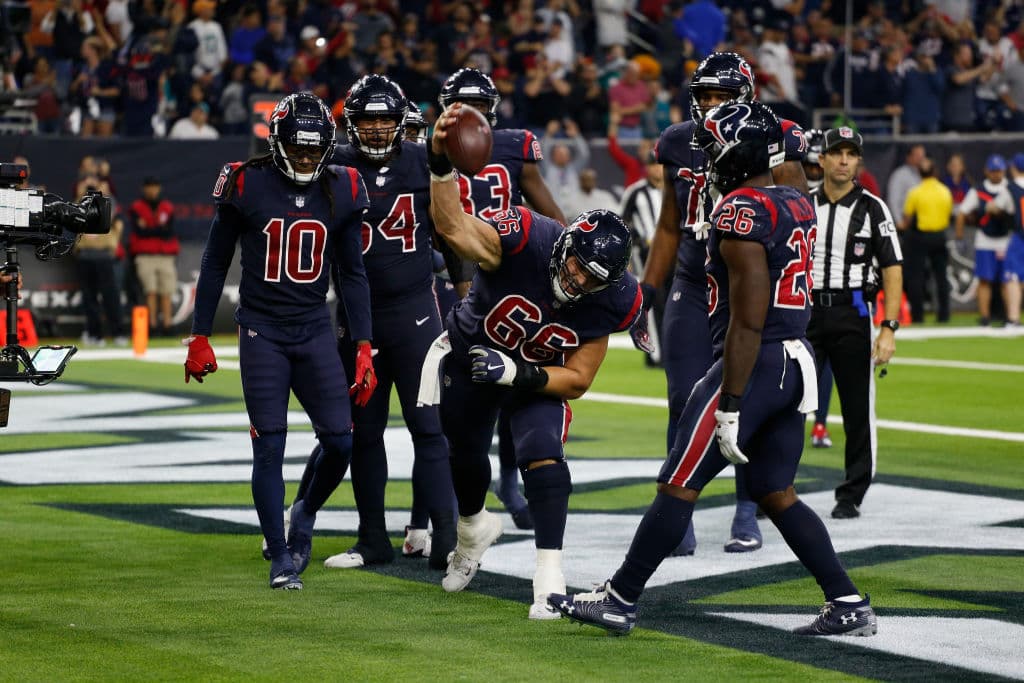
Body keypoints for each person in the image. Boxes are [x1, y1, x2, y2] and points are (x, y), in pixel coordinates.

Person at [547, 101, 878, 638]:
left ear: (738, 152)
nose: (705, 158)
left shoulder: (740, 211)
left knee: (678, 480)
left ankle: (621, 597)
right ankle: (846, 601)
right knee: (776, 490)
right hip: (794, 361)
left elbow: (747, 322)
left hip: (755, 359)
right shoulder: (796, 199)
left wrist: (729, 402)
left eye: (715, 147)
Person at [426, 100, 643, 620]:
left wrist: (518, 373)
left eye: (594, 278)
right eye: (577, 265)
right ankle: (473, 529)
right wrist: (439, 162)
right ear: (563, 243)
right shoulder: (525, 235)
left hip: (534, 375)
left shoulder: (615, 299)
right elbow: (454, 228)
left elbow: (578, 379)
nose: (580, 280)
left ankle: (549, 577)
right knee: (465, 457)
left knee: (543, 451)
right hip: (471, 351)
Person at [185, 92, 377, 591]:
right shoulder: (246, 182)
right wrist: (199, 334)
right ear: (277, 142)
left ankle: (304, 512)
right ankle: (281, 555)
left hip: (313, 326)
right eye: (300, 149)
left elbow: (353, 274)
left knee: (340, 440)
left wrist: (363, 345)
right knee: (269, 447)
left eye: (317, 151)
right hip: (261, 330)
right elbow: (214, 261)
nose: (309, 159)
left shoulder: (343, 186)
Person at [632, 51, 809, 556]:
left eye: (722, 97)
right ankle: (677, 512)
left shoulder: (777, 136)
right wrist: (646, 293)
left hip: (749, 279)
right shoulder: (677, 142)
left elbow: (797, 214)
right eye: (704, 96)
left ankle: (745, 508)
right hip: (694, 276)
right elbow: (669, 224)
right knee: (683, 395)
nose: (710, 105)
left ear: (746, 99)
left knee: (744, 395)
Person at [287, 75, 457, 572]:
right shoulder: (332, 165)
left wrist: (466, 298)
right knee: (364, 431)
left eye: (386, 118)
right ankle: (372, 538)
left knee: (429, 428)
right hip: (357, 318)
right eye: (368, 119)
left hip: (416, 311)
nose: (379, 128)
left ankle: (446, 537)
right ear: (350, 123)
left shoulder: (426, 160)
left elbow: (451, 231)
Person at [438, 67, 567, 531]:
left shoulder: (515, 144)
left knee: (516, 384)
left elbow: (546, 209)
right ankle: (442, 506)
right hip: (449, 267)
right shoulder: (431, 151)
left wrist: (571, 247)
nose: (472, 115)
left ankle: (509, 482)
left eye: (480, 106)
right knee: (451, 394)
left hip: (505, 272)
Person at [808, 127, 904, 520]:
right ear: (822, 160)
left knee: (856, 407)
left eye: (851, 154)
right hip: (805, 312)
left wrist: (889, 327)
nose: (844, 160)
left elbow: (893, 267)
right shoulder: (803, 203)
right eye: (837, 153)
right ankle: (775, 486)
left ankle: (852, 491)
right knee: (785, 401)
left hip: (853, 313)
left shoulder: (873, 208)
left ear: (858, 161)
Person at [800, 128, 835, 449]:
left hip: (824, 293)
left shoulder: (842, 201)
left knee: (824, 363)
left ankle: (820, 423)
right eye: (806, 169)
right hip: (793, 293)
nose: (811, 175)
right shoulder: (787, 195)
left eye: (815, 169)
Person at [957, 154, 1010, 326]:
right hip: (985, 239)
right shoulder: (977, 190)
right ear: (987, 171)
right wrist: (959, 237)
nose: (996, 174)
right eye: (993, 171)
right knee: (984, 279)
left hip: (1006, 239)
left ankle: (1009, 316)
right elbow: (962, 213)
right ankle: (985, 317)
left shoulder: (1010, 188)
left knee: (1007, 280)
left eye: (999, 171)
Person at [901, 157, 953, 323]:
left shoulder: (915, 192)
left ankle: (918, 316)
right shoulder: (945, 191)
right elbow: (948, 213)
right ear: (935, 172)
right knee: (941, 276)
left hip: (920, 237)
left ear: (919, 173)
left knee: (917, 277)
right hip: (939, 236)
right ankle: (944, 315)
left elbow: (907, 219)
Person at [128, 176, 178, 336]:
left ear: (159, 188)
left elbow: (168, 232)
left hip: (165, 254)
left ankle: (168, 325)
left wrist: (150, 228)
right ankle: (153, 325)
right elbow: (139, 231)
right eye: (149, 187)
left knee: (166, 291)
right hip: (145, 255)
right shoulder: (137, 207)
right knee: (150, 291)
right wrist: (157, 229)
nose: (152, 190)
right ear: (144, 189)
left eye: (155, 186)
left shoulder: (167, 207)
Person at [985, 153, 1024, 327]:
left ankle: (1013, 317)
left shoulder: (1011, 188)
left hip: (1020, 237)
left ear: (1014, 168)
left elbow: (993, 206)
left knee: (1012, 276)